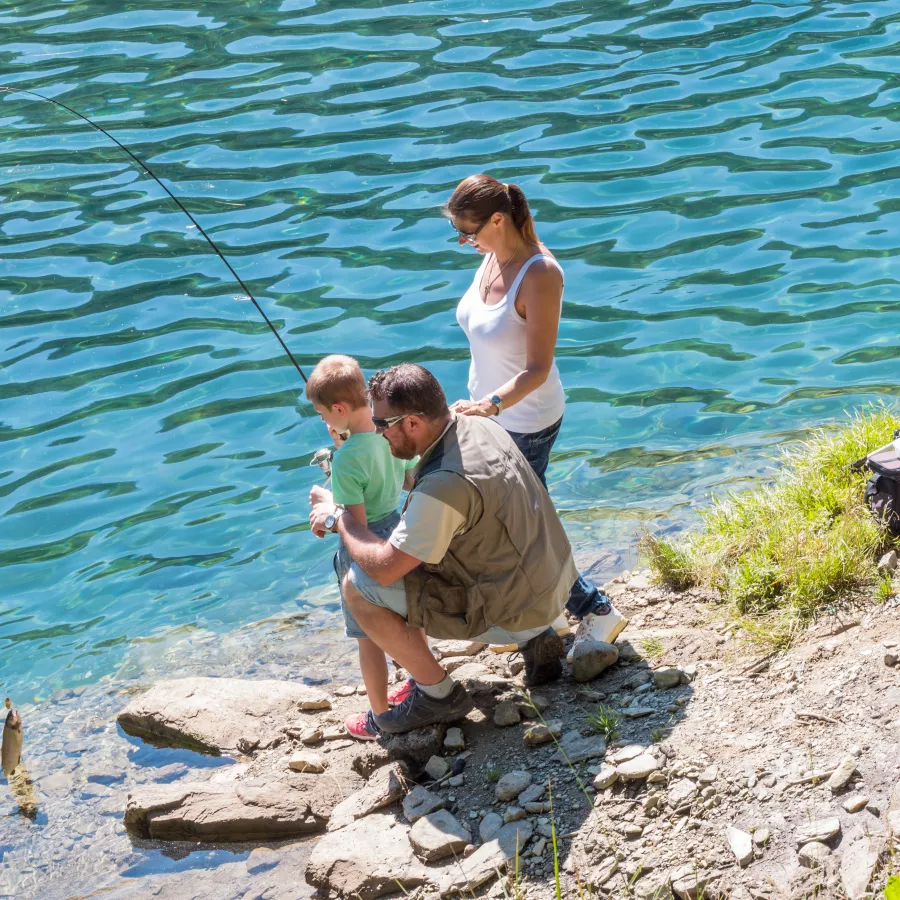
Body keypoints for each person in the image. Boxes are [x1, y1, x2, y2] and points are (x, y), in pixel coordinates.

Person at [309, 363, 577, 736]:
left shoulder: (443, 489)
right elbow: (415, 478)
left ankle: (439, 695)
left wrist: (339, 518)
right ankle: (535, 637)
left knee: (360, 586)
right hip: (551, 583)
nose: (378, 433)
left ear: (414, 424)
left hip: (521, 606)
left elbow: (385, 569)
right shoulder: (477, 424)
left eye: (382, 426)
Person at [446, 174, 627, 663]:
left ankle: (594, 611)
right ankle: (542, 617)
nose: (465, 241)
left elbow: (537, 368)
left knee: (522, 529)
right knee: (517, 524)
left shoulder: (541, 274)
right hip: (487, 413)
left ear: (499, 220)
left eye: (469, 231)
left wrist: (491, 405)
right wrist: (480, 406)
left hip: (525, 419)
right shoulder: (490, 258)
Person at [305, 355, 419, 739]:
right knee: (407, 620)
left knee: (367, 637)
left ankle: (379, 716)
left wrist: (326, 502)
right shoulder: (389, 435)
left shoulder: (347, 460)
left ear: (339, 408)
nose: (324, 421)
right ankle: (420, 682)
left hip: (366, 551)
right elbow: (406, 477)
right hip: (398, 535)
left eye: (323, 414)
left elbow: (354, 524)